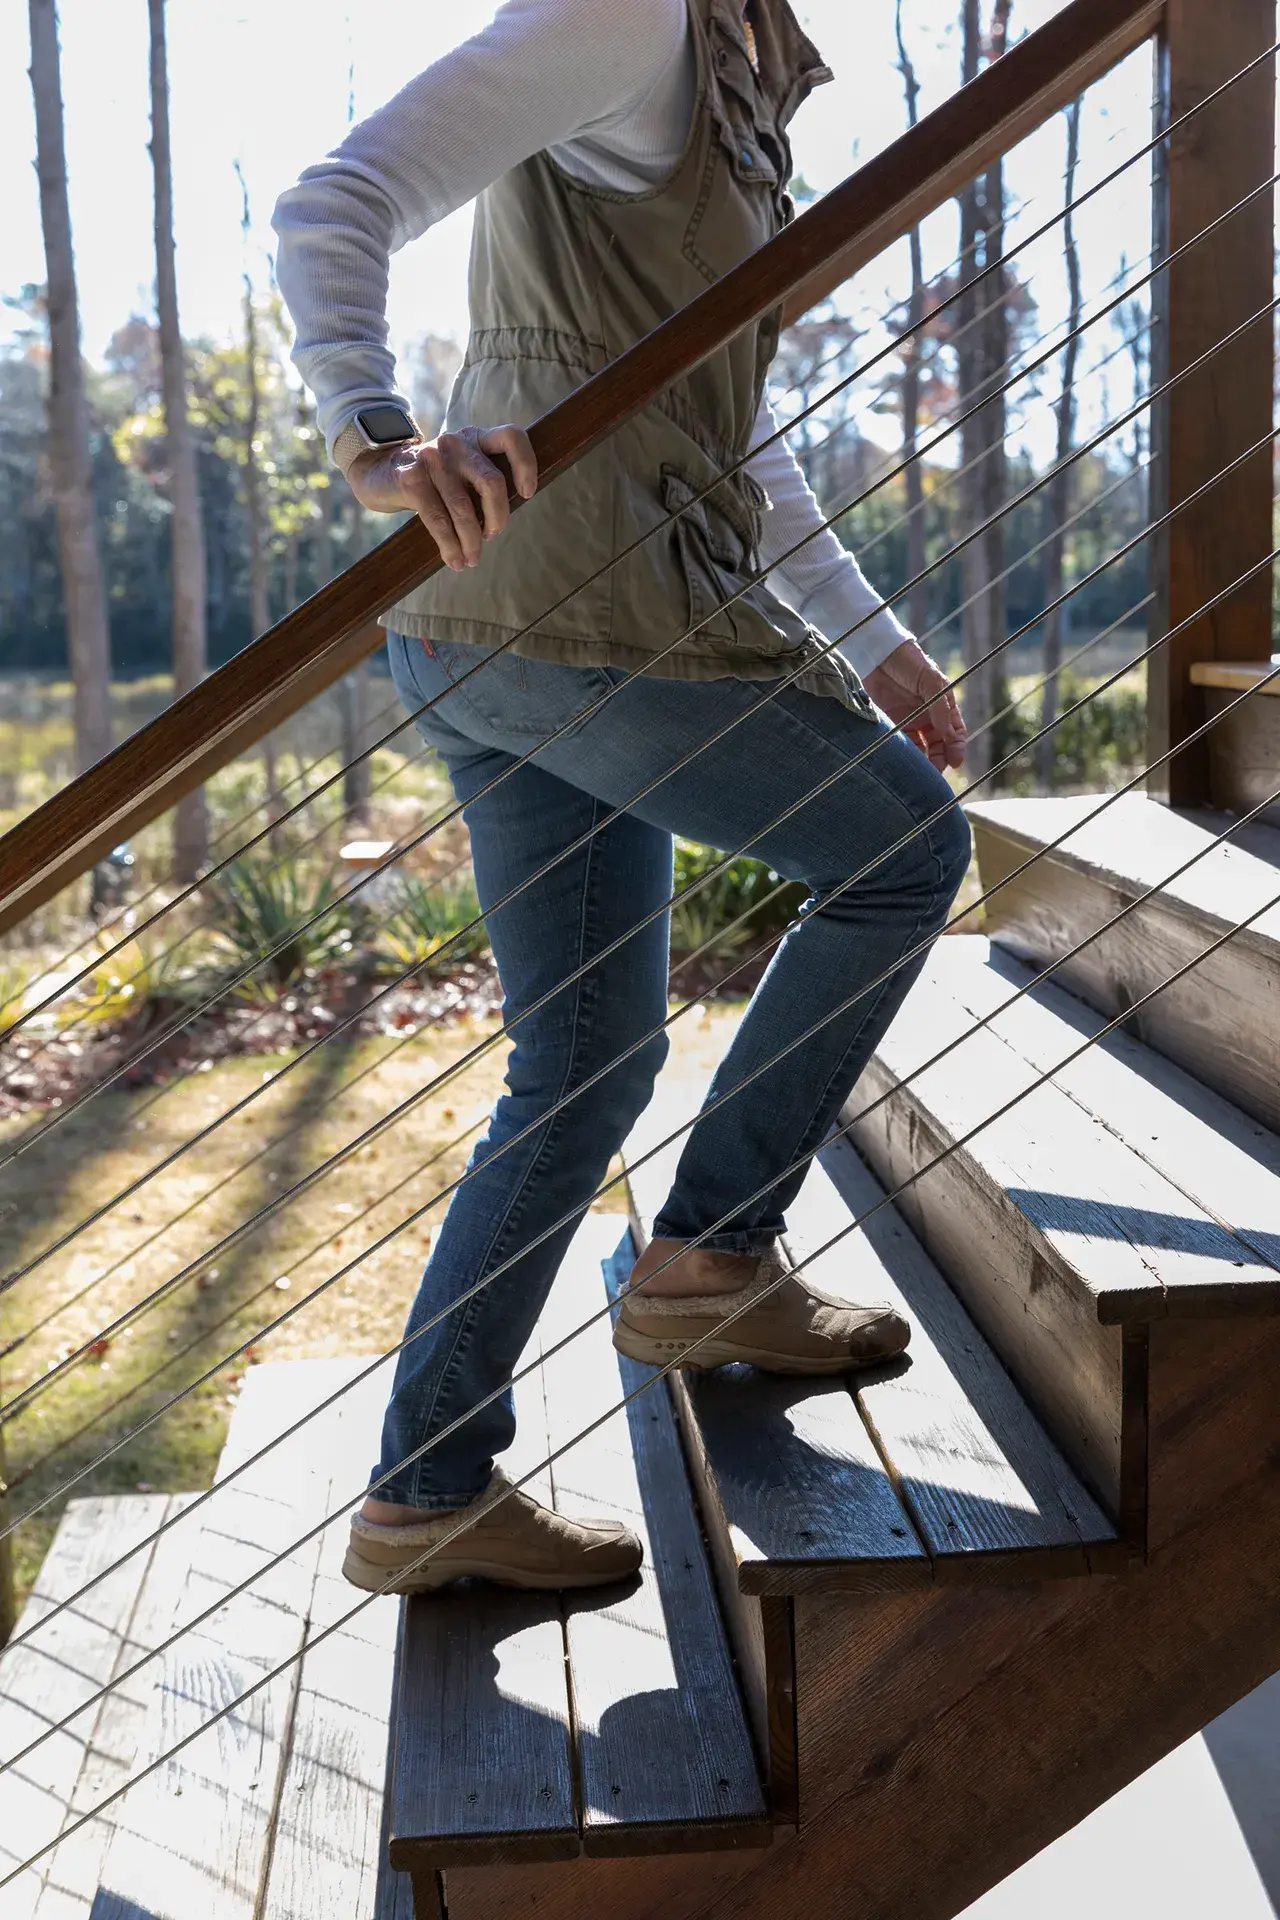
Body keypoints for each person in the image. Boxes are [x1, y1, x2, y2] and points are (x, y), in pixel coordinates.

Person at [273, 0, 971, 1596]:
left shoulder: (735, 74)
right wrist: (375, 434)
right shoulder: (633, 13)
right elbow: (334, 199)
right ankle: (715, 1256)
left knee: (583, 1063)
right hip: (592, 614)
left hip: (493, 630)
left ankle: (428, 1492)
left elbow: (717, 429)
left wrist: (873, 644)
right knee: (902, 852)